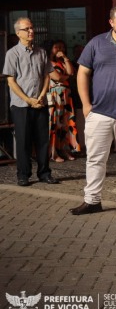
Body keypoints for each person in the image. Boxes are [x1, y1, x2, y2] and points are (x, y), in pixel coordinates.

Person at [71, 4, 116, 215]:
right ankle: (92, 200)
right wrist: (86, 105)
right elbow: (82, 73)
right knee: (95, 159)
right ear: (111, 22)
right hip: (99, 113)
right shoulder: (96, 43)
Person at [3, 18, 55, 186]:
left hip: (40, 103)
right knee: (23, 141)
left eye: (32, 28)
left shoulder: (41, 52)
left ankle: (44, 173)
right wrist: (28, 100)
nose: (31, 31)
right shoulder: (12, 53)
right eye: (27, 29)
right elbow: (11, 81)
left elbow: (46, 75)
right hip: (21, 105)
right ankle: (23, 175)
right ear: (18, 33)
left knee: (42, 140)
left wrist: (41, 96)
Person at [47, 40, 80, 162]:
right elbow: (58, 77)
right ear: (50, 48)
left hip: (66, 96)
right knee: (55, 124)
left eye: (62, 47)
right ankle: (53, 152)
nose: (60, 49)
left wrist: (65, 58)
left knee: (66, 125)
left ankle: (65, 149)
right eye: (56, 47)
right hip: (54, 96)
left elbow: (71, 72)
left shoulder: (62, 62)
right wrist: (66, 77)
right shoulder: (47, 62)